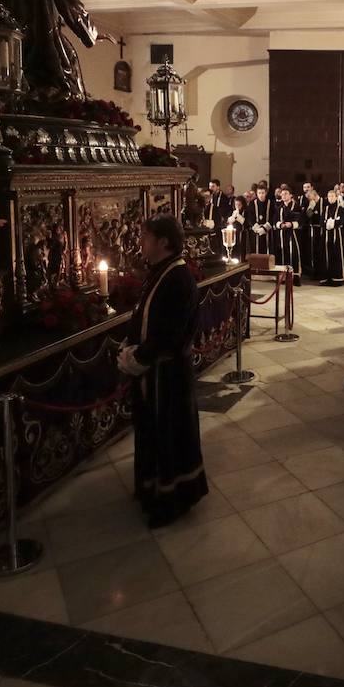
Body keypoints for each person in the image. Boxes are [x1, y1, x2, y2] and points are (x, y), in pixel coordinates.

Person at [118, 216, 208, 528]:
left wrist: (140, 356)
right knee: (151, 433)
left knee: (169, 434)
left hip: (167, 373)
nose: (141, 242)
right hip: (153, 371)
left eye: (146, 236)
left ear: (164, 242)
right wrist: (132, 348)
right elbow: (145, 316)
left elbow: (170, 331)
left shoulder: (178, 277)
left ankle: (171, 499)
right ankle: (150, 487)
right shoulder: (160, 273)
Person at [321, 188, 344, 286]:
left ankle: (337, 278)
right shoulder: (325, 208)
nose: (331, 198)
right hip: (327, 235)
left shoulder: (340, 208)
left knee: (337, 255)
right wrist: (328, 223)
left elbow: (342, 221)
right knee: (326, 255)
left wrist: (332, 223)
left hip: (337, 235)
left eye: (332, 196)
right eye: (329, 196)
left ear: (336, 197)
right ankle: (326, 278)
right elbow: (322, 221)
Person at [271, 187, 304, 283]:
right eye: (282, 194)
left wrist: (292, 224)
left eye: (286, 194)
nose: (284, 196)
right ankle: (283, 277)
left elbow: (301, 221)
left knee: (293, 254)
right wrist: (280, 224)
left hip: (293, 234)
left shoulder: (297, 207)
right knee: (282, 254)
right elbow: (274, 221)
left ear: (290, 195)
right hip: (281, 235)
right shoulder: (279, 208)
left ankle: (295, 278)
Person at [248, 183, 273, 256]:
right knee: (256, 250)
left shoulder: (270, 203)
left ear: (266, 193)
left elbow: (273, 216)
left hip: (267, 231)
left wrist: (265, 228)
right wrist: (257, 228)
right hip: (256, 231)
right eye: (259, 193)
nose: (261, 195)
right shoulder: (252, 203)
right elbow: (250, 217)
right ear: (256, 193)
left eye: (262, 193)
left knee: (267, 250)